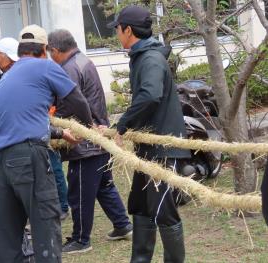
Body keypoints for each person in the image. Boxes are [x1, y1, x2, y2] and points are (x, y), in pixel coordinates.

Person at [0, 24, 93, 263]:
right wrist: (88, 128)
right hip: (26, 157)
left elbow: (22, 119)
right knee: (45, 221)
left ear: (20, 50)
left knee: (8, 233)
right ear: (44, 49)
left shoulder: (8, 76)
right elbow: (77, 100)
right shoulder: (45, 66)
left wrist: (59, 133)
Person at [107, 6, 191, 263]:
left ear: (128, 30)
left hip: (164, 150)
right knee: (142, 207)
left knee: (164, 212)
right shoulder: (141, 56)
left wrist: (123, 124)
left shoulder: (151, 59)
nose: (117, 34)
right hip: (148, 150)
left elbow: (150, 95)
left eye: (118, 29)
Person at [48, 29, 132, 254]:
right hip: (99, 135)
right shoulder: (83, 61)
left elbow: (72, 103)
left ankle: (81, 239)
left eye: (49, 53)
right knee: (104, 186)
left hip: (86, 141)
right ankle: (122, 225)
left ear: (55, 50)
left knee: (79, 192)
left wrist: (57, 126)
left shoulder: (68, 69)